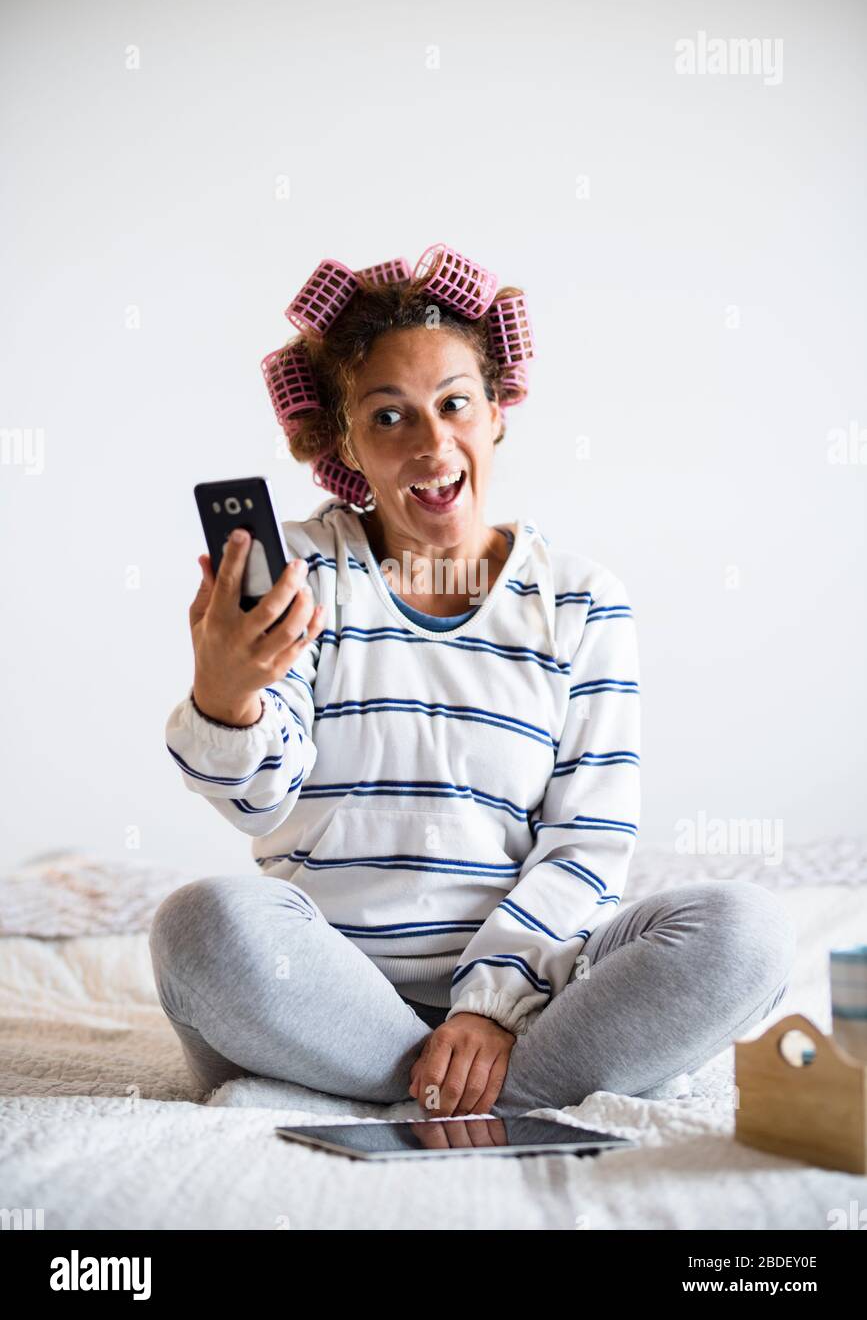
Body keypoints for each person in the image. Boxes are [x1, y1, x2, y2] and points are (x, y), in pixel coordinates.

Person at [151, 273, 796, 1119]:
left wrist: (489, 1008)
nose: (429, 441)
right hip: (326, 990)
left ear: (496, 414)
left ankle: (432, 1087)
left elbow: (585, 841)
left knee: (746, 932)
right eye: (387, 416)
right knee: (202, 925)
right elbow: (257, 803)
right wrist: (224, 696)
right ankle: (471, 1088)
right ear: (344, 444)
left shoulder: (579, 599)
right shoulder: (303, 573)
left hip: (533, 996)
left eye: (453, 404)